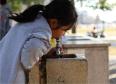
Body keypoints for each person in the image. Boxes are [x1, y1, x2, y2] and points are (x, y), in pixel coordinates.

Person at [0, 0, 77, 84]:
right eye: (64, 30)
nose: (63, 35)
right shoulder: (43, 34)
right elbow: (27, 61)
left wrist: (45, 54)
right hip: (11, 78)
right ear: (54, 22)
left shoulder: (34, 20)